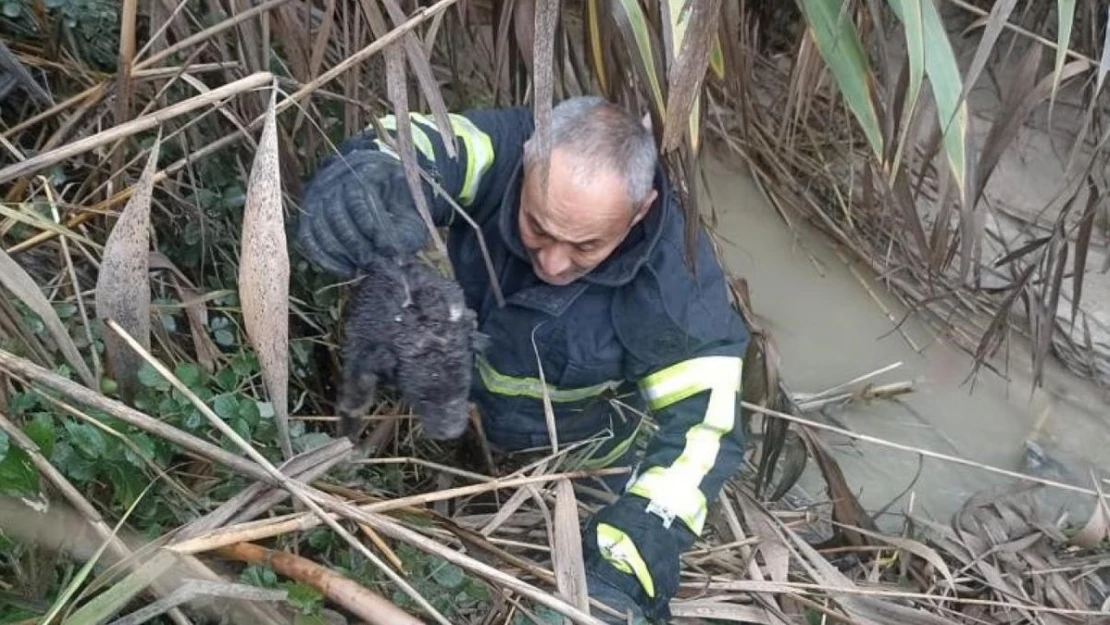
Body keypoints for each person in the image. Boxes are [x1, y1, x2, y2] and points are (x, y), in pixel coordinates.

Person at [296, 96, 751, 623]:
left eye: (585, 246)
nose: (554, 262)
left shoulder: (679, 290)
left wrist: (631, 551)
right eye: (538, 227)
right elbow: (411, 141)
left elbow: (706, 431)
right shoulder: (503, 149)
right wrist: (367, 180)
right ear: (529, 159)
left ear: (640, 211)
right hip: (448, 424)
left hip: (572, 471)